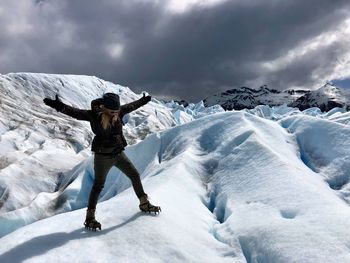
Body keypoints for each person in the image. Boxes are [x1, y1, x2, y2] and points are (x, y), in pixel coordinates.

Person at [43, 92, 161, 231]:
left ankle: (144, 203)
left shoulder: (118, 112)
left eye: (116, 111)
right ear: (104, 108)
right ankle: (90, 218)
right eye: (111, 111)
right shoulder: (94, 115)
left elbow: (131, 106)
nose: (114, 114)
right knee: (98, 186)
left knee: (134, 175)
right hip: (102, 157)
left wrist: (143, 100)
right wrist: (59, 106)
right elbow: (74, 112)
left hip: (118, 154)